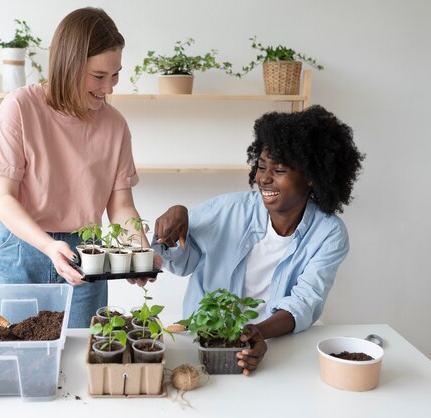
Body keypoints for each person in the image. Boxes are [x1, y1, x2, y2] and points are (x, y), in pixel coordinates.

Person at [0, 7, 159, 328]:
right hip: (19, 247)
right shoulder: (20, 108)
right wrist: (48, 246)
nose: (109, 87)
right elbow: (1, 198)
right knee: (6, 355)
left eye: (115, 74)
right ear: (67, 65)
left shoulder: (115, 125)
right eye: (99, 76)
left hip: (83, 252)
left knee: (78, 359)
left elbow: (121, 205)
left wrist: (138, 253)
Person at [153, 105, 364, 375]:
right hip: (206, 342)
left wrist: (257, 333)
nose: (263, 178)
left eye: (279, 170)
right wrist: (176, 219)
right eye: (262, 167)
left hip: (279, 346)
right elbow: (182, 263)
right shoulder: (228, 209)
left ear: (311, 176)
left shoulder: (328, 233)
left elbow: (305, 300)